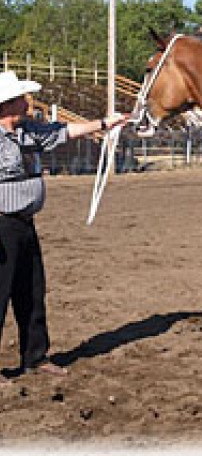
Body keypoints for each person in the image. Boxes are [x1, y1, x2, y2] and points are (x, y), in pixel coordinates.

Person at [0, 70, 127, 385]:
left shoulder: (29, 131)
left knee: (32, 291)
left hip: (25, 224)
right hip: (1, 224)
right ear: (5, 105)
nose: (27, 103)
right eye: (20, 99)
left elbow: (64, 132)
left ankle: (35, 356)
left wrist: (102, 124)